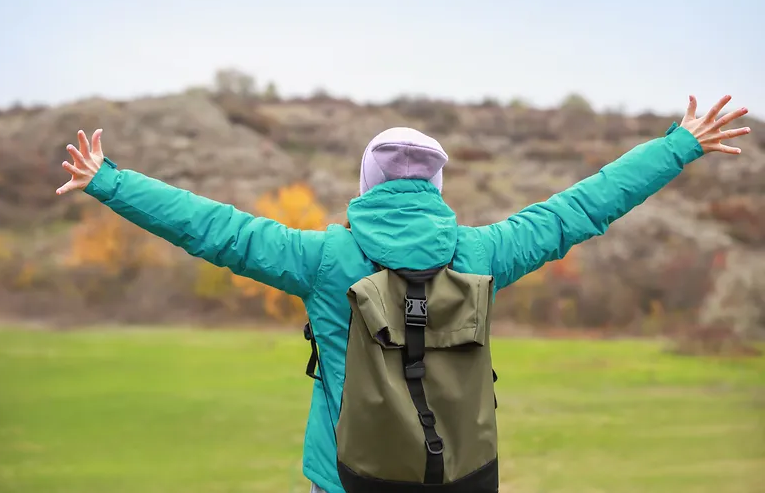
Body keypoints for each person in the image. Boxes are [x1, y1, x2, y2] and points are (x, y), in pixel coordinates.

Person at [57, 95, 750, 493]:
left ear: (368, 185)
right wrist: (677, 146)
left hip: (348, 476)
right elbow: (580, 209)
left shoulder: (325, 259)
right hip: (464, 473)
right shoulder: (484, 253)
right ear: (436, 189)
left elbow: (215, 229)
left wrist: (109, 181)